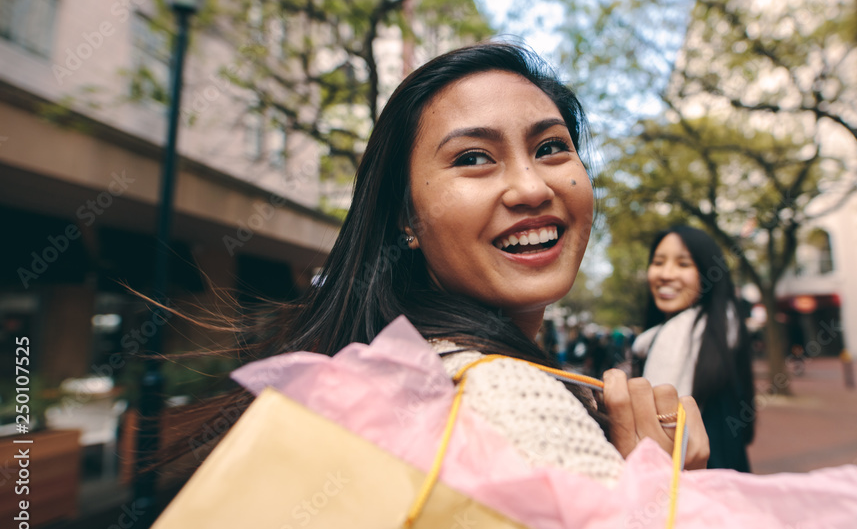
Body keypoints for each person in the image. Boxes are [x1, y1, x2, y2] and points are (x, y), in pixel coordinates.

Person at [166, 42, 709, 487]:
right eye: (474, 158)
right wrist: (661, 491)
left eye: (550, 148)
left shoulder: (401, 373)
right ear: (406, 217)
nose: (530, 187)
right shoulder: (509, 400)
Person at [631, 225, 755, 472]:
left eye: (683, 264)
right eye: (658, 262)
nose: (666, 274)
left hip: (705, 492)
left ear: (708, 272)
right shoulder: (652, 340)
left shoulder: (718, 341)